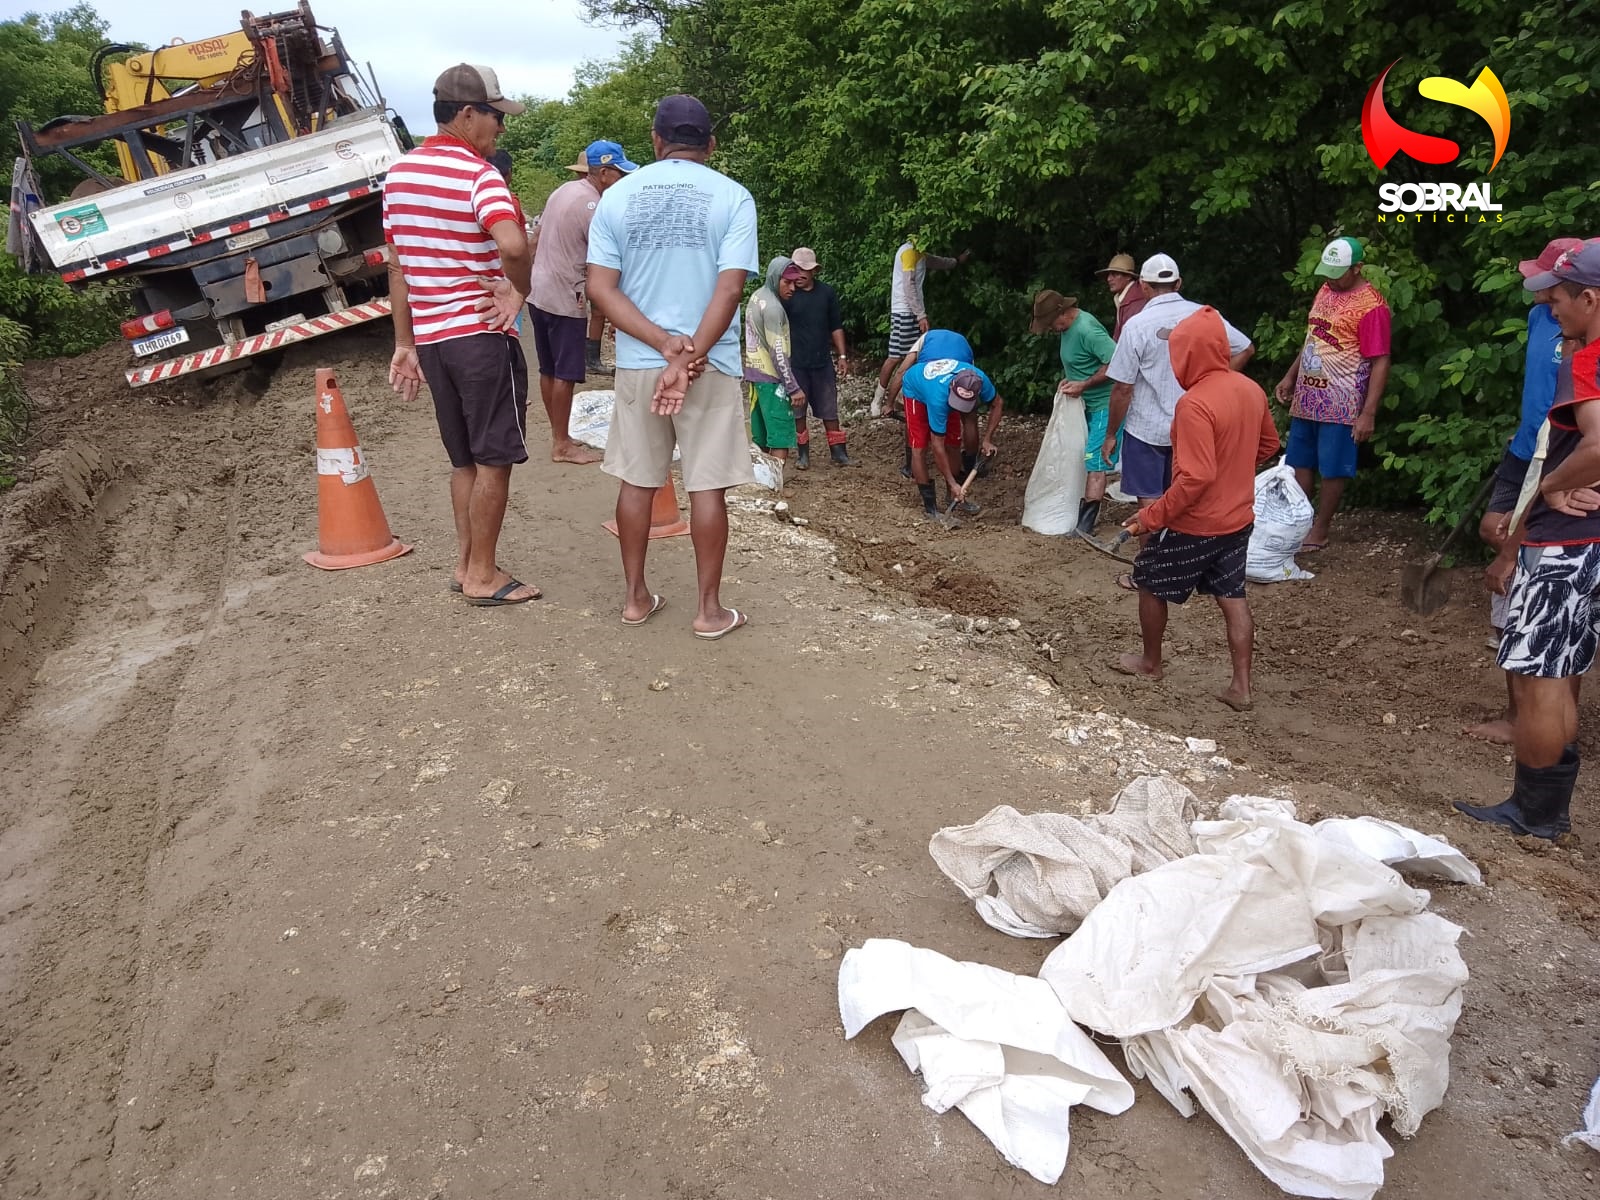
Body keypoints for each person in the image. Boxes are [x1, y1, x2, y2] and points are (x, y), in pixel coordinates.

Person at [586, 94, 759, 639]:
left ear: (656, 143)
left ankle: (636, 598)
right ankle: (708, 611)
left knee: (638, 481)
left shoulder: (616, 198)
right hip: (711, 364)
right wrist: (692, 353)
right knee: (707, 487)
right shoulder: (733, 197)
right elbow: (731, 288)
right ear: (710, 144)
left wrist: (664, 345)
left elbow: (600, 289)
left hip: (642, 361)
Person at [1456, 239, 1600, 840]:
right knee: (1562, 669)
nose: (1553, 311)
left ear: (1590, 298)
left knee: (1541, 680)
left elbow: (1597, 445)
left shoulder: (1587, 361)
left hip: (1566, 540)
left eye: (1561, 299)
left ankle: (1534, 811)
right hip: (1591, 544)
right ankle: (1548, 809)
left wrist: (1545, 493)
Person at [383, 64, 538, 606]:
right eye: (496, 116)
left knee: (463, 460)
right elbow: (514, 246)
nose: (500, 127)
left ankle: (466, 564)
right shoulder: (480, 175)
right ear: (467, 113)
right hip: (479, 336)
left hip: (433, 340)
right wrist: (518, 291)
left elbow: (398, 268)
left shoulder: (398, 176)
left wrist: (405, 344)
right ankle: (483, 576)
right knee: (494, 458)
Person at [1116, 308, 1281, 711]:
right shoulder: (1250, 389)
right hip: (1239, 517)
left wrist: (1150, 517)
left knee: (1150, 578)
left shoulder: (1194, 405)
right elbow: (1268, 446)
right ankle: (1241, 687)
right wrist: (1234, 468)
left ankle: (1150, 662)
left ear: (1188, 355)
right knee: (1232, 594)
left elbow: (1194, 478)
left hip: (1199, 523)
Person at [1465, 236, 1584, 744]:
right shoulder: (1543, 319)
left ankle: (1546, 712)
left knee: (1534, 568)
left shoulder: (1584, 333)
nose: (1534, 288)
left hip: (1558, 454)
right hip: (1525, 448)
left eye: (1545, 282)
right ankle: (1524, 707)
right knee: (1496, 531)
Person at [1104, 253, 1254, 578]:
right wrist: (1218, 385)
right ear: (1179, 283)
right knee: (1189, 495)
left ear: (1143, 286)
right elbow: (1245, 348)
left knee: (1149, 498)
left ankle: (1149, 571)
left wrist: (1111, 433)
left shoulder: (1136, 325)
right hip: (1196, 425)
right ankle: (1188, 567)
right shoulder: (1203, 316)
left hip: (1146, 428)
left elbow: (1122, 389)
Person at [1274, 236, 1392, 551]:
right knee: (1299, 460)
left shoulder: (1372, 306)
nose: (1330, 278)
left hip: (1342, 400)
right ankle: (1301, 521)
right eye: (1327, 271)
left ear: (1357, 268)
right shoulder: (1326, 290)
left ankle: (1320, 529)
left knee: (1333, 466)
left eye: (1337, 272)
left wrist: (1368, 412)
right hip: (1307, 396)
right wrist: (1290, 375)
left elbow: (1380, 359)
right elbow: (1313, 337)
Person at [528, 140, 638, 465]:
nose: (621, 179)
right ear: (603, 173)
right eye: (619, 173)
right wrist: (620, 313)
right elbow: (604, 264)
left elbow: (535, 240)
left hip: (539, 291)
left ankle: (557, 434)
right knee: (565, 372)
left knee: (548, 368)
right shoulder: (593, 207)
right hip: (564, 295)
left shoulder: (564, 191)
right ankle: (561, 444)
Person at [1031, 289, 1118, 535]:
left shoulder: (1087, 329)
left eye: (1050, 323)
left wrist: (1085, 384)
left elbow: (1117, 363)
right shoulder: (1066, 329)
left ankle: (1084, 526)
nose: (1050, 329)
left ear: (1062, 313)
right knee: (1078, 454)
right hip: (1083, 406)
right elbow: (1080, 363)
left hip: (1104, 404)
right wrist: (1069, 380)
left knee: (1095, 459)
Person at [873, 235, 971, 416]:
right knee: (895, 357)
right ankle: (878, 400)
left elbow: (936, 261)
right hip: (904, 311)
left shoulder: (920, 253)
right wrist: (921, 315)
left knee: (915, 357)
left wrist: (956, 262)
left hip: (913, 311)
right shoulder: (909, 252)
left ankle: (903, 397)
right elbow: (908, 286)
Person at [902, 358, 1004, 524]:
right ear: (952, 387)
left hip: (941, 394)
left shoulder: (980, 381)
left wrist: (987, 439)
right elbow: (937, 445)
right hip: (916, 390)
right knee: (919, 447)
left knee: (953, 443)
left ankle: (952, 496)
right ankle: (931, 508)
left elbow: (998, 403)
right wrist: (952, 481)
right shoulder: (938, 397)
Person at [783, 246, 853, 468]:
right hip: (796, 363)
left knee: (829, 408)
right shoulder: (787, 295)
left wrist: (842, 355)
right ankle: (803, 454)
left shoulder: (827, 293)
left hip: (822, 361)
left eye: (805, 270)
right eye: (796, 269)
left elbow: (836, 326)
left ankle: (838, 452)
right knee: (797, 410)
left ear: (814, 271)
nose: (800, 274)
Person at [744, 256, 805, 464]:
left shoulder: (756, 297)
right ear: (774, 278)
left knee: (760, 436)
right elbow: (778, 353)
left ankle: (761, 484)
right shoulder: (773, 308)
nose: (792, 288)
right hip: (772, 380)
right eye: (786, 282)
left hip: (755, 376)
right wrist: (793, 387)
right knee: (780, 438)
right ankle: (774, 487)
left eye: (794, 283)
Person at [1095, 252, 1150, 339]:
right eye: (1108, 275)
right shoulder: (1127, 298)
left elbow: (1131, 340)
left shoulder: (1136, 302)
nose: (1109, 279)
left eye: (1115, 274)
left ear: (1128, 276)